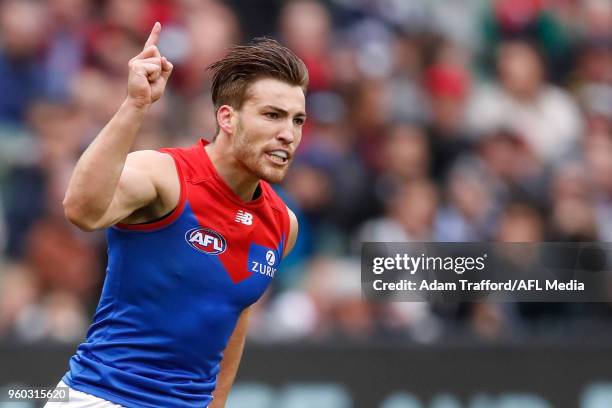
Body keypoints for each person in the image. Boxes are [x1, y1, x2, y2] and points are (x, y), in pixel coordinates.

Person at [47, 22, 307, 408]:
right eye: (272, 115)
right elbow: (81, 210)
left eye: (297, 120)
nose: (288, 133)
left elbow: (233, 318)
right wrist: (135, 105)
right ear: (227, 118)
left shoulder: (282, 223)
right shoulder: (165, 175)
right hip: (101, 397)